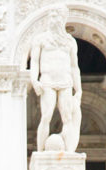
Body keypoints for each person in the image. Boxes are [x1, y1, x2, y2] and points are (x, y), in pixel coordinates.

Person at [29, 7, 82, 153]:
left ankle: (69, 152)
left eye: (56, 16)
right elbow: (34, 61)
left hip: (66, 82)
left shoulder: (70, 41)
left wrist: (78, 89)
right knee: (46, 116)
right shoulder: (40, 39)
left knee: (67, 117)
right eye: (51, 16)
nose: (53, 20)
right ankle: (40, 152)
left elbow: (74, 66)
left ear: (63, 19)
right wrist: (34, 80)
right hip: (47, 81)